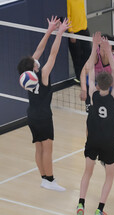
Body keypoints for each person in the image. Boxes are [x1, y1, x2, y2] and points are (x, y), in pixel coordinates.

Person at [17, 16, 70, 192]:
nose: (37, 61)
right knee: (47, 149)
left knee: (39, 147)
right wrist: (59, 33)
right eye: (35, 63)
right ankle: (50, 180)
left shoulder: (26, 76)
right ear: (34, 68)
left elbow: (39, 51)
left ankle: (43, 178)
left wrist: (49, 30)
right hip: (44, 116)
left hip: (31, 114)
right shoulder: (43, 74)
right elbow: (53, 53)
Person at [76, 32, 114, 215]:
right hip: (109, 142)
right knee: (109, 176)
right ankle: (99, 210)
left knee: (87, 172)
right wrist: (107, 50)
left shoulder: (93, 94)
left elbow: (89, 73)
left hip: (92, 139)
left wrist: (95, 46)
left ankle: (80, 205)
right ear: (111, 84)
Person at [80, 34, 114, 112]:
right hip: (92, 81)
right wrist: (84, 90)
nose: (102, 51)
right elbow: (83, 72)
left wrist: (102, 86)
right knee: (91, 110)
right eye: (101, 48)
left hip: (106, 84)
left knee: (108, 110)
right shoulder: (96, 56)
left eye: (106, 48)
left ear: (112, 51)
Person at [67, 0, 91, 82]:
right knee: (77, 57)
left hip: (84, 29)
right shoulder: (68, 1)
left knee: (88, 53)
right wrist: (71, 32)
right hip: (74, 33)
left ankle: (86, 75)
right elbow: (68, 16)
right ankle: (79, 78)